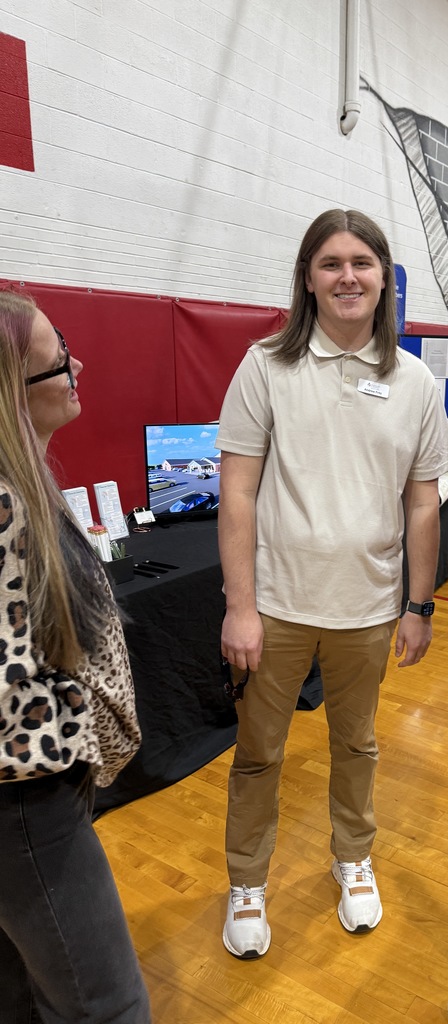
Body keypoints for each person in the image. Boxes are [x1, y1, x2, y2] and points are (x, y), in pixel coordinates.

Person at [215, 209, 448, 959]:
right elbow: (239, 494)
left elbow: (423, 502)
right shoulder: (265, 365)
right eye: (330, 263)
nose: (346, 276)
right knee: (260, 752)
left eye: (361, 262)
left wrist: (418, 605)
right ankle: (247, 881)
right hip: (277, 608)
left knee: (359, 745)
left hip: (369, 609)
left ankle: (353, 857)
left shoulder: (414, 381)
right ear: (308, 278)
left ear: (385, 277)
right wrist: (241, 607)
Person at [0, 289, 150, 1023]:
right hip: (24, 796)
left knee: (27, 987)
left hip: (34, 788)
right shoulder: (6, 504)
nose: (77, 366)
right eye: (60, 361)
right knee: (107, 1005)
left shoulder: (23, 483)